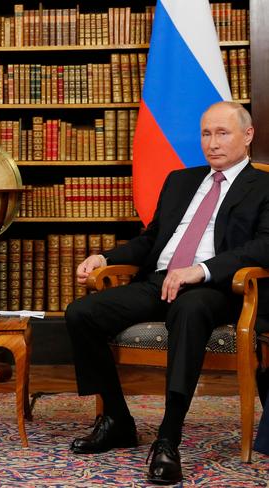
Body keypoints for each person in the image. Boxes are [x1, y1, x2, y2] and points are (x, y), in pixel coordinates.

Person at [65, 101, 269, 484]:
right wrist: (104, 257)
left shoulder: (264, 186)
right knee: (82, 313)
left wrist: (201, 270)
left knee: (189, 310)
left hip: (220, 288)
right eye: (206, 133)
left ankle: (168, 438)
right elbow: (150, 241)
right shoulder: (181, 180)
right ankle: (118, 420)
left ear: (248, 135)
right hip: (161, 280)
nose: (212, 143)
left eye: (222, 133)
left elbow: (264, 246)